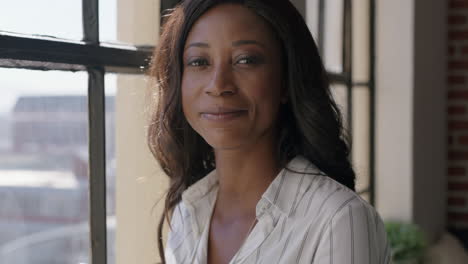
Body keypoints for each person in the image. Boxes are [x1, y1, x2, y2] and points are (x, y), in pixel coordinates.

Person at [148, 0, 391, 263]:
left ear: (286, 80)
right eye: (199, 62)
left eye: (246, 60)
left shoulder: (338, 219)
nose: (218, 85)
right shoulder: (188, 214)